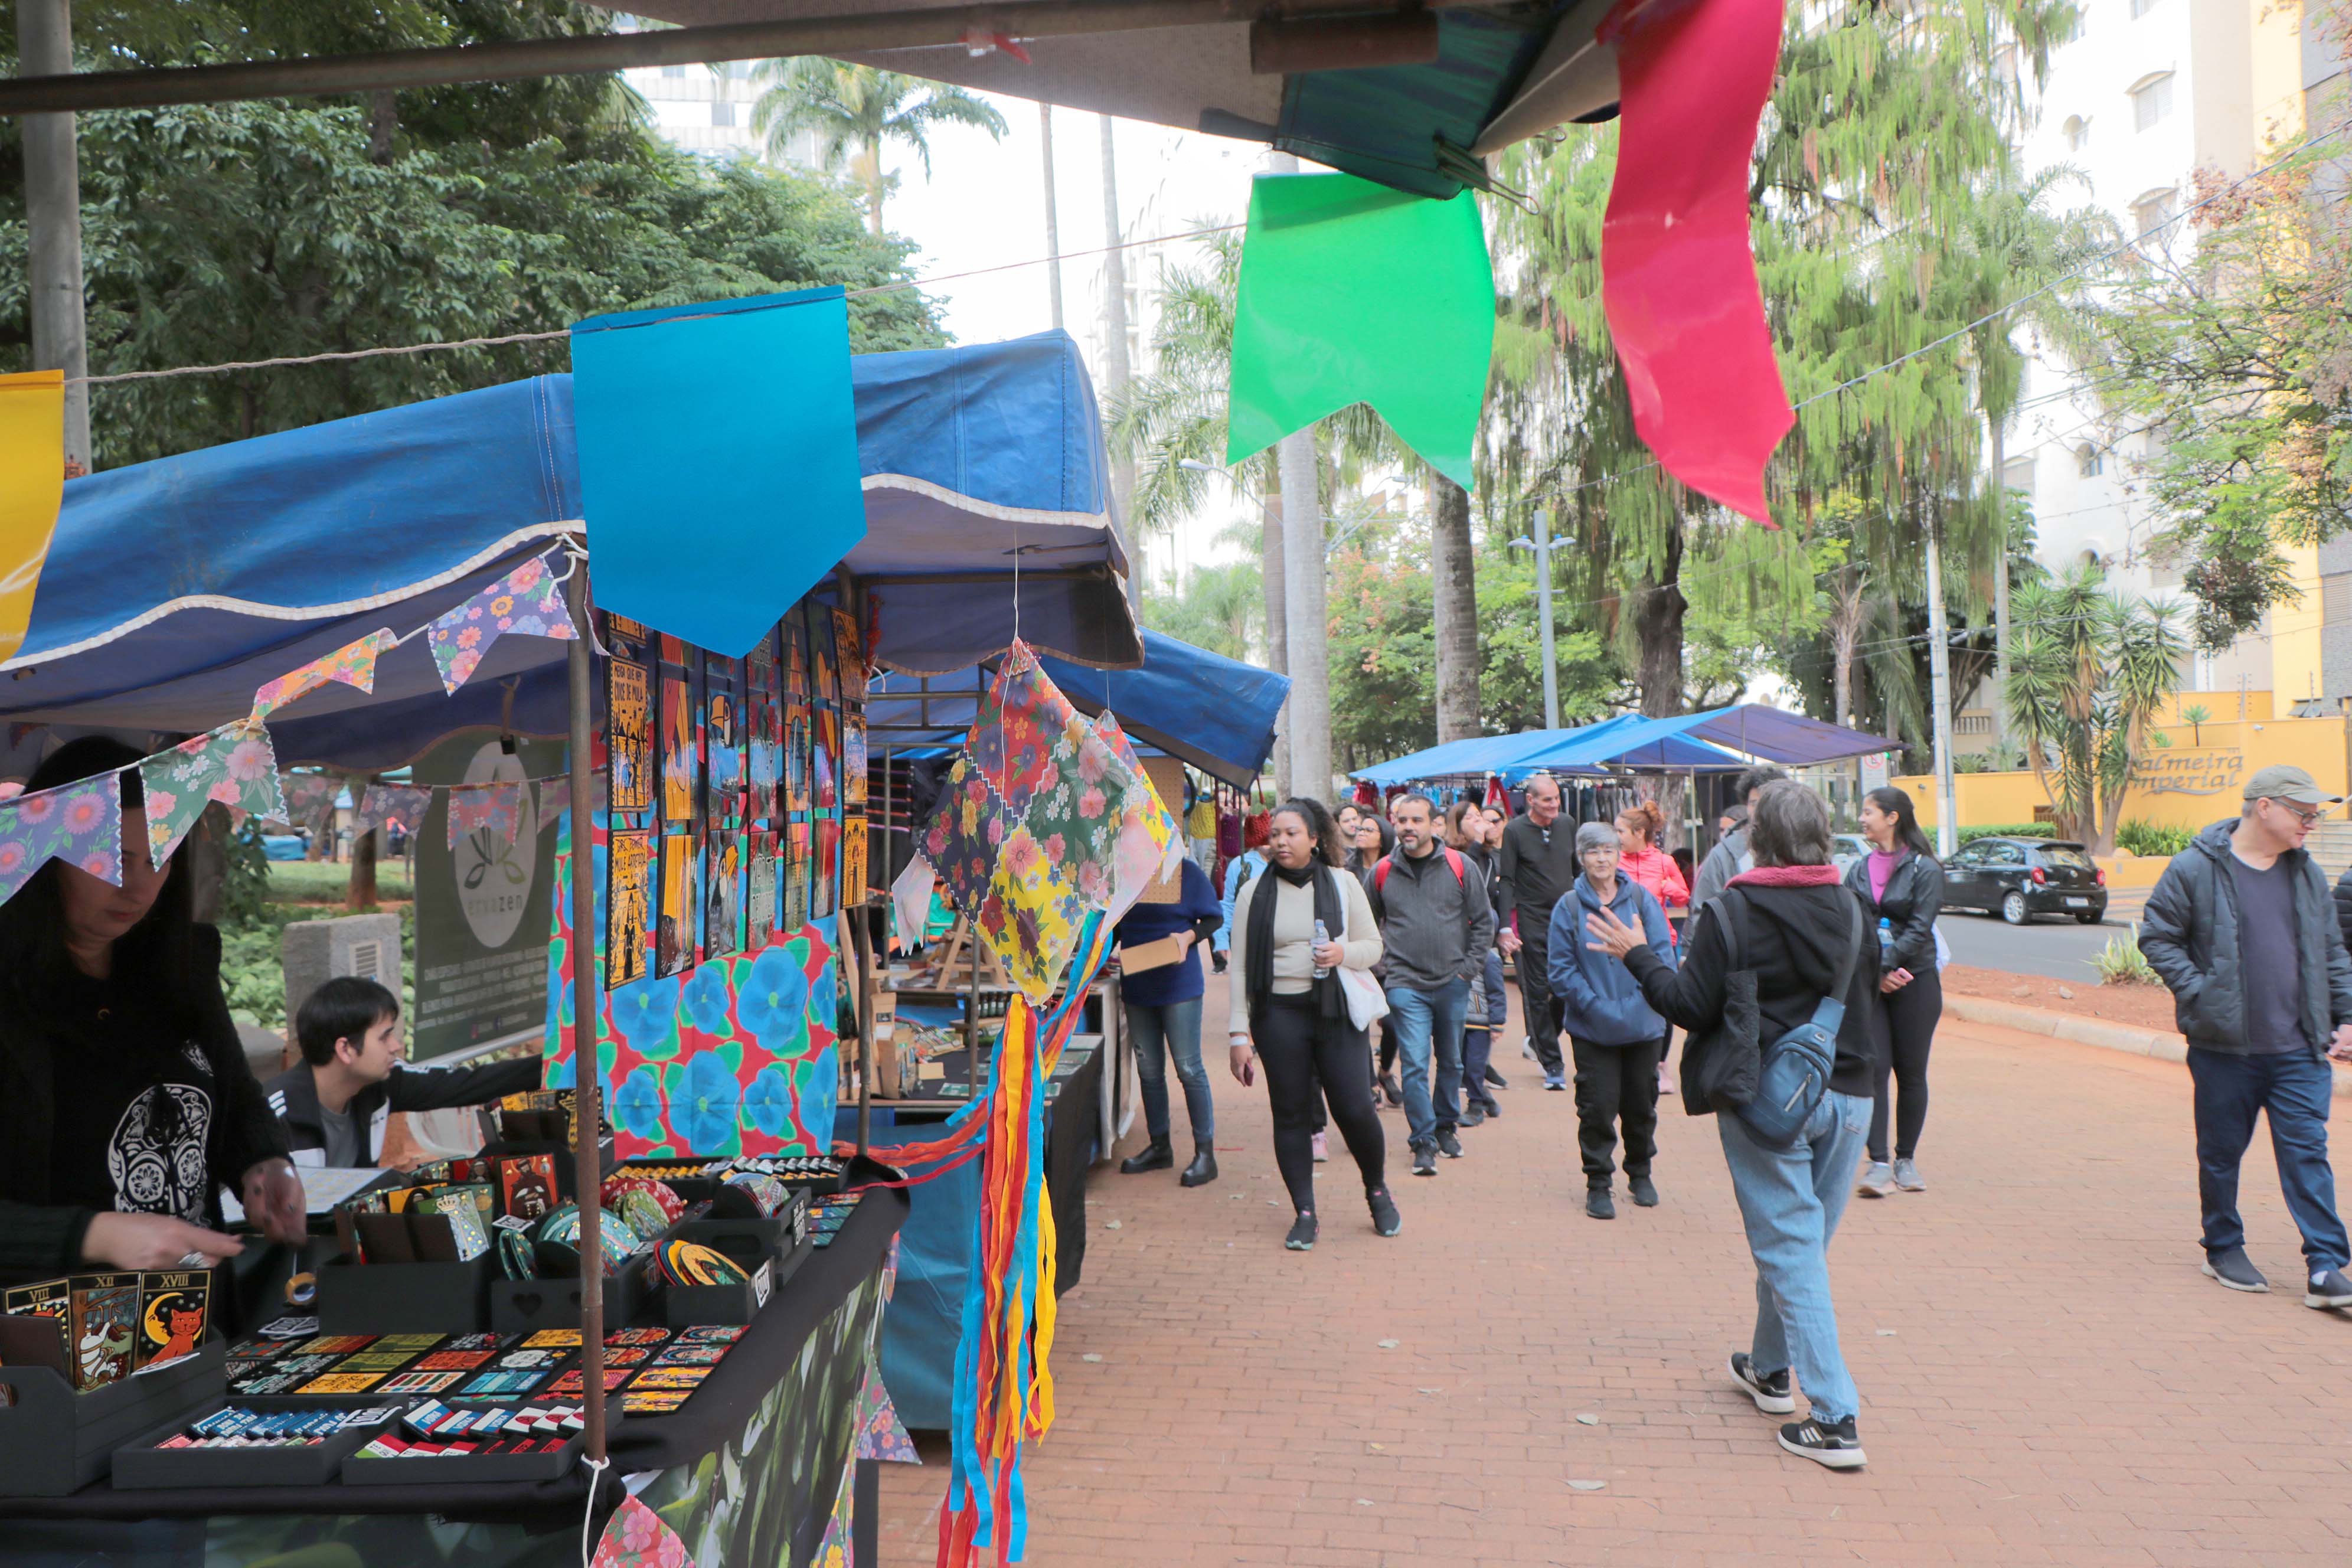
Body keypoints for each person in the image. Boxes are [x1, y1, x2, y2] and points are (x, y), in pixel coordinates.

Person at [1586, 780, 1882, 1469]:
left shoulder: (1733, 910)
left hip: (1767, 1098)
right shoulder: (1853, 902)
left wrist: (1638, 952)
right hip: (1850, 1094)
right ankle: (1770, 1369)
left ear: (1758, 839)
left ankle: (1836, 1418)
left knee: (1792, 1247)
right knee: (1798, 1243)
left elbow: (1687, 1005)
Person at [0, 738, 306, 1281]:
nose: (137, 887)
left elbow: (235, 1096)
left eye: (158, 860)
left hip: (195, 1316)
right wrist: (91, 1234)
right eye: (114, 860)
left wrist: (264, 1163)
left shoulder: (181, 969)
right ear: (47, 853)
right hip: (56, 1338)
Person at [2141, 765, 2352, 1308]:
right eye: (2304, 813)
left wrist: (2346, 1016)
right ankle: (2224, 1246)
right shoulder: (2194, 868)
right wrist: (2201, 993)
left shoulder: (2305, 873)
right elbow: (2158, 936)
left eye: (2316, 813)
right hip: (2223, 1048)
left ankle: (2327, 1266)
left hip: (2300, 1047)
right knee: (2221, 1153)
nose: (2313, 822)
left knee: (2308, 1153)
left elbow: (2331, 952)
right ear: (2264, 807)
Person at [1227, 798, 1400, 1250]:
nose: (1281, 842)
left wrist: (1343, 953)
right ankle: (1305, 1211)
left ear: (1315, 839)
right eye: (1276, 834)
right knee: (1290, 1114)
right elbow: (1242, 969)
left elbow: (1373, 946)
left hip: (1335, 1013)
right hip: (1277, 1015)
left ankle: (1377, 1188)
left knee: (1355, 1108)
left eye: (1291, 834)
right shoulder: (1253, 892)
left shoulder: (1344, 884)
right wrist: (1239, 1034)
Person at [269, 976, 543, 1168]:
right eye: (385, 1036)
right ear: (346, 1049)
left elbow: (468, 1084)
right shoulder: (277, 1116)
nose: (396, 1046)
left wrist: (558, 1063)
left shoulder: (382, 1083)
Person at [1364, 793, 1494, 1178]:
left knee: (1451, 1061)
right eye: (1402, 820)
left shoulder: (1460, 865)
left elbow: (1484, 921)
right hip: (1405, 984)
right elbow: (1367, 926)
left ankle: (1446, 1126)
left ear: (1433, 825)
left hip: (1454, 982)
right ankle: (1423, 1140)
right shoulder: (1383, 871)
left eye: (1416, 820)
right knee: (1416, 1064)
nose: (1408, 827)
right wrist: (1383, 971)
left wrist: (1467, 970)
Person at [1551, 823, 1675, 1217]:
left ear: (1619, 854)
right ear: (1581, 857)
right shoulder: (1568, 907)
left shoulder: (1641, 900)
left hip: (1643, 1023)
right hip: (1592, 1026)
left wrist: (1639, 1003)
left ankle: (1640, 1173)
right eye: (1593, 852)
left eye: (1608, 850)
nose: (1602, 859)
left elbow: (1662, 958)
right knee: (1597, 1107)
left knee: (1642, 1105)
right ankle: (1598, 1182)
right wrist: (1597, 1006)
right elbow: (1560, 970)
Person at [1845, 787, 1945, 1199]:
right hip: (1874, 985)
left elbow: (1921, 929)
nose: (1862, 819)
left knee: (1911, 1072)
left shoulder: (1926, 868)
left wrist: (1890, 967)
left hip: (1916, 982)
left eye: (1868, 812)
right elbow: (1852, 926)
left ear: (1893, 817)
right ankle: (1879, 1163)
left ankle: (1906, 1159)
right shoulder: (1857, 869)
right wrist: (1876, 973)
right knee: (1874, 1070)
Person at [1110, 857, 1224, 1187]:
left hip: (1179, 984)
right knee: (1149, 1070)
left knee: (1188, 1067)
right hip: (1138, 982)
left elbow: (1214, 918)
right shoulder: (1124, 872)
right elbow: (1114, 926)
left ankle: (1206, 1155)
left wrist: (1189, 936)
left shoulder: (1185, 871)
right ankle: (1160, 1146)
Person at [1495, 773, 1580, 1089]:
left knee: (1564, 990)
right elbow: (1507, 880)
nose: (1554, 804)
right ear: (1530, 800)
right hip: (1532, 920)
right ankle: (1553, 1064)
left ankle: (1541, 1041)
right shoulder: (1515, 831)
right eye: (1547, 799)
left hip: (1568, 919)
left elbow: (1576, 870)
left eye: (1556, 798)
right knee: (1538, 991)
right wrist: (1504, 927)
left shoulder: (1567, 824)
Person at [1616, 802, 1691, 1096]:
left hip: (1661, 942)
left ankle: (1660, 1064)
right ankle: (1626, 1059)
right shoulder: (1614, 861)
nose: (1617, 836)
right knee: (1624, 997)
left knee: (1663, 1001)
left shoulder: (1664, 862)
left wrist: (1667, 887)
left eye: (1621, 831)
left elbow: (1683, 897)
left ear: (1639, 833)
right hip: (1623, 941)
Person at [1447, 802, 1506, 1123]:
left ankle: (1478, 1104)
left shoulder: (1488, 855)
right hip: (1457, 1007)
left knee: (1473, 1064)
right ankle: (1483, 1098)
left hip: (1480, 1018)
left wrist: (1497, 1022)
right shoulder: (1455, 855)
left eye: (1480, 817)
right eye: (1470, 818)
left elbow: (1497, 989)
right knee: (1458, 1062)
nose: (1479, 823)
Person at [1347, 813, 1402, 1105]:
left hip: (1390, 956)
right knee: (1360, 1023)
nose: (1361, 833)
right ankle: (1369, 1084)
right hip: (1356, 955)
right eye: (1359, 828)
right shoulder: (1347, 868)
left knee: (1392, 1024)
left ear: (1384, 835)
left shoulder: (1394, 867)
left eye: (1369, 829)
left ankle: (1384, 1071)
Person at [1691, 767, 1787, 912]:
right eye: (1754, 803)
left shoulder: (1800, 848)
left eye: (1766, 802)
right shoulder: (1723, 854)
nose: (1759, 810)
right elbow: (1701, 912)